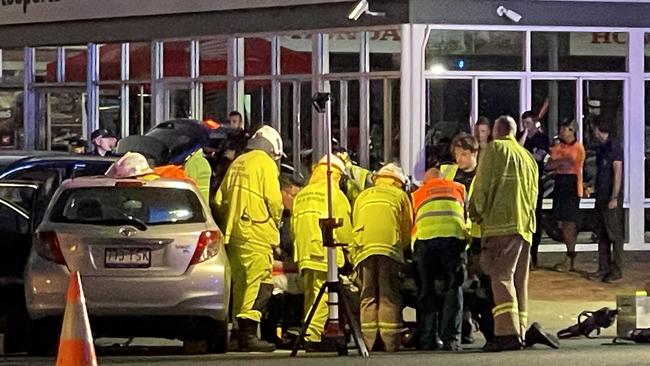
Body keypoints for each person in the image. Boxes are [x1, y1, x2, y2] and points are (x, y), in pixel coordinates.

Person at [470, 115, 558, 352]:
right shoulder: (526, 155)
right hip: (525, 227)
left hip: (501, 224)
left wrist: (475, 212)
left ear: (497, 132)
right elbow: (535, 191)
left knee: (501, 277)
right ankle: (521, 326)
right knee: (520, 280)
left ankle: (507, 334)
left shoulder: (495, 150)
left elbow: (483, 186)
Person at [214, 125, 284, 352]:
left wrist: (231, 219)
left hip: (234, 234)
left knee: (240, 284)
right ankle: (249, 335)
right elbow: (274, 201)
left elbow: (218, 199)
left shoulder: (238, 162)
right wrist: (276, 223)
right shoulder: (265, 164)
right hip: (256, 232)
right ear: (273, 150)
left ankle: (236, 333)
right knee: (260, 283)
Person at [349, 163, 413, 352]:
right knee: (388, 294)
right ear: (398, 181)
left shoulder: (363, 195)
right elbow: (407, 227)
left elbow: (355, 221)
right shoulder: (399, 195)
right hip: (389, 248)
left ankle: (368, 343)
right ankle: (390, 342)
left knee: (367, 294)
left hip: (363, 249)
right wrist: (405, 250)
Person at [292, 154, 353, 351]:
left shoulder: (302, 194)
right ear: (337, 175)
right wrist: (350, 252)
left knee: (311, 294)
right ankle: (312, 336)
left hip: (303, 251)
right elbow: (344, 229)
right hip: (323, 249)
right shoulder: (333, 194)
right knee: (325, 294)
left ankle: (307, 331)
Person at [442, 133, 495, 346]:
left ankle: (485, 328)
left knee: (481, 285)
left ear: (474, 153)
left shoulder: (482, 176)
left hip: (477, 236)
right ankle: (464, 328)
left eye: (464, 154)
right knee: (459, 284)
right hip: (456, 236)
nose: (459, 159)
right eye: (457, 154)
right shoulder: (448, 173)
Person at [411, 166, 467, 351]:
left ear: (426, 182)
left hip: (426, 241)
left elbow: (413, 224)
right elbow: (465, 216)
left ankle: (427, 339)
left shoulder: (418, 193)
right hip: (453, 240)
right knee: (453, 288)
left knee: (427, 289)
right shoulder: (458, 188)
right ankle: (451, 339)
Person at [261, 172, 305, 348]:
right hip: (274, 269)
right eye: (295, 196)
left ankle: (291, 330)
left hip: (288, 269)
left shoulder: (292, 218)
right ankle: (273, 333)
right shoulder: (272, 216)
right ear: (283, 193)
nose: (297, 201)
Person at [588, 116, 624, 283]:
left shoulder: (614, 146)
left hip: (610, 196)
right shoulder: (601, 148)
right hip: (601, 195)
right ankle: (603, 268)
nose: (592, 132)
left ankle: (616, 270)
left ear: (598, 129)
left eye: (593, 128)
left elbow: (617, 172)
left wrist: (615, 196)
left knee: (614, 233)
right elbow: (601, 172)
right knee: (601, 233)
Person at [547, 121, 585, 272]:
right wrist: (560, 162)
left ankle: (570, 255)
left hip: (572, 185)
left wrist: (559, 161)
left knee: (570, 222)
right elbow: (549, 165)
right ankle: (569, 254)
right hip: (561, 184)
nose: (561, 132)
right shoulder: (558, 146)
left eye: (564, 129)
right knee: (562, 223)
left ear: (572, 131)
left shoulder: (578, 147)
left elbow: (572, 163)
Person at [518, 111, 549, 269]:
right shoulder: (520, 136)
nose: (526, 127)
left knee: (535, 218)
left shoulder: (542, 139)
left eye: (528, 124)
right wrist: (524, 135)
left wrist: (524, 155)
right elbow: (517, 151)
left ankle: (534, 255)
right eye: (524, 124)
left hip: (536, 183)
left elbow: (538, 157)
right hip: (521, 183)